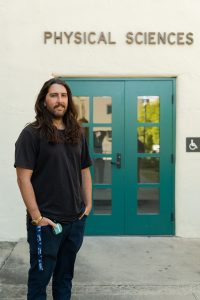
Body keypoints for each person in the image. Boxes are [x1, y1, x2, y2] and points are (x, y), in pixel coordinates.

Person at [14, 78, 92, 300]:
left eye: (64, 95)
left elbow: (85, 170)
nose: (60, 100)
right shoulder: (31, 134)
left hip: (74, 221)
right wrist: (37, 217)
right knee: (39, 281)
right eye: (54, 95)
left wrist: (87, 206)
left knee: (64, 278)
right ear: (44, 101)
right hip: (46, 224)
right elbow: (23, 178)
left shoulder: (77, 132)